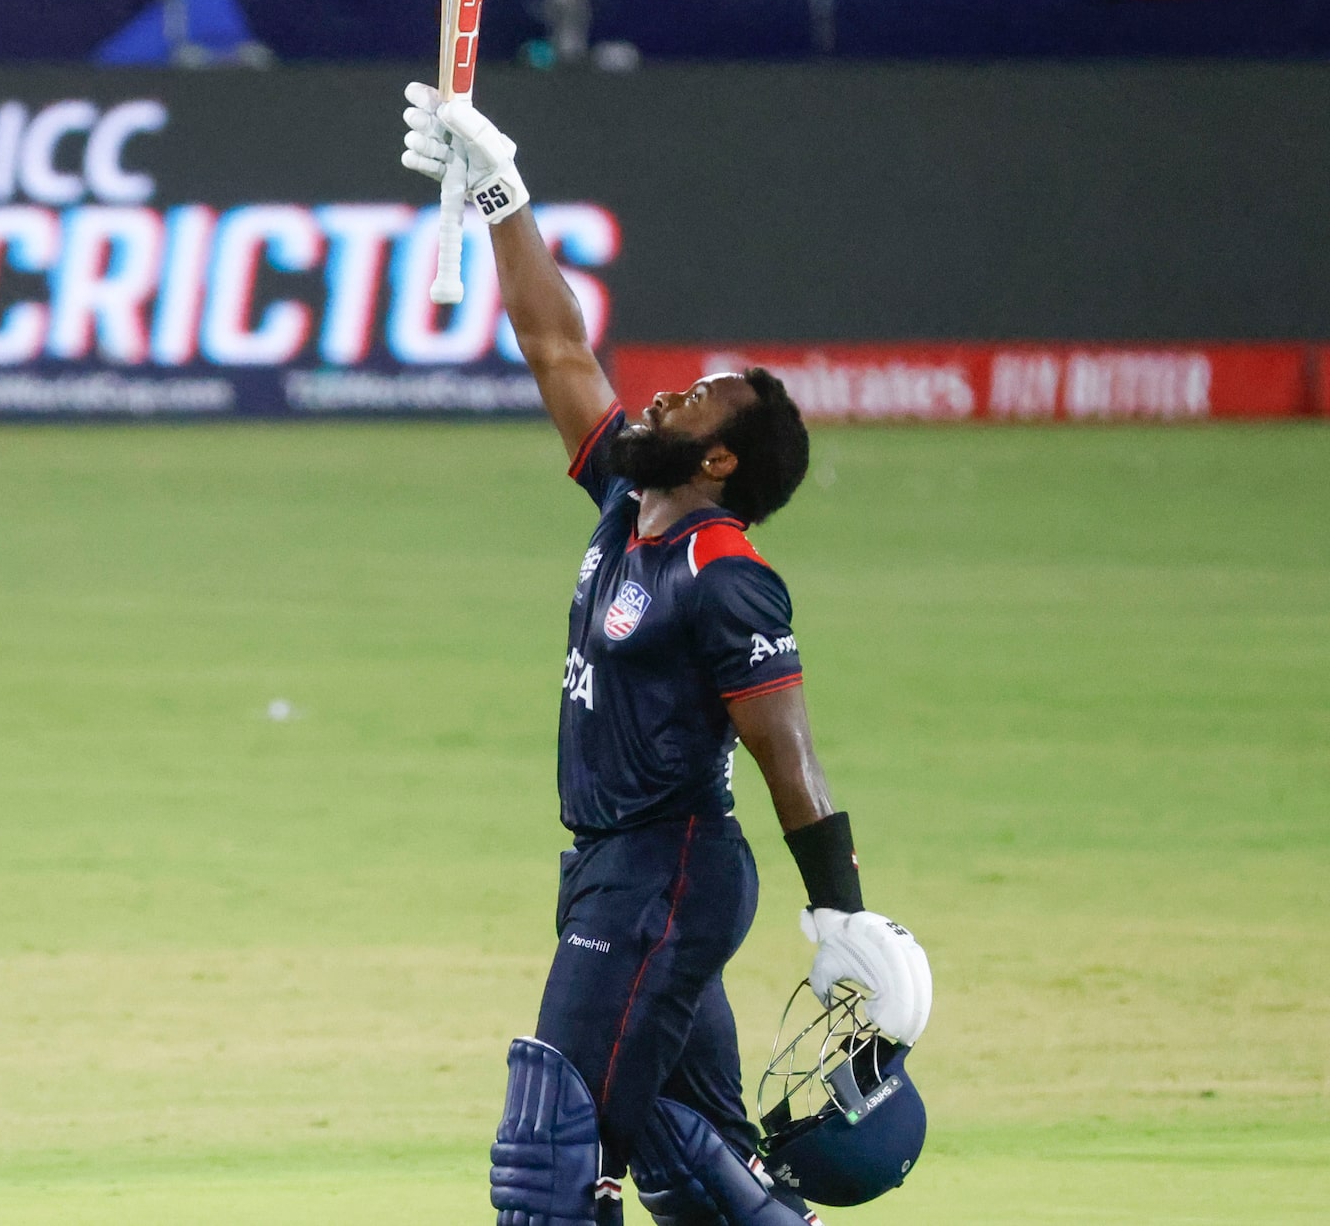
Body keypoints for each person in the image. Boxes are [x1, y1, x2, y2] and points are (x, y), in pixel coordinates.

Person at [394, 87, 932, 1226]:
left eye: (697, 402)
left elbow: (784, 752)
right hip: (612, 869)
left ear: (724, 464)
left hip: (668, 874)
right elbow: (551, 340)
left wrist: (839, 914)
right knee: (694, 1162)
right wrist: (500, 189)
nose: (669, 394)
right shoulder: (623, 501)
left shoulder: (724, 569)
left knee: (553, 1145)